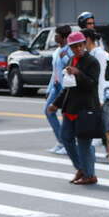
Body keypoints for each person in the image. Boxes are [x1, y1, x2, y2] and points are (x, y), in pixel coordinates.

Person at [47, 31, 100, 185]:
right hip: (70, 108)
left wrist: (79, 73)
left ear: (85, 44)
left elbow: (92, 85)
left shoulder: (92, 62)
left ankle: (89, 175)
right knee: (66, 138)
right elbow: (67, 86)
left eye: (80, 46)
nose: (78, 49)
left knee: (84, 144)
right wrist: (55, 104)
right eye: (74, 47)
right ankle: (81, 168)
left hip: (86, 109)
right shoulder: (71, 59)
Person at [44, 25, 73, 155]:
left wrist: (65, 57)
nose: (55, 37)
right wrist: (49, 89)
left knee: (66, 115)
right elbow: (54, 72)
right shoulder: (57, 51)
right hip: (56, 86)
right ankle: (61, 141)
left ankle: (66, 143)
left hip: (65, 87)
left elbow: (71, 67)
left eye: (57, 35)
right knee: (48, 111)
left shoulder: (69, 51)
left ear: (63, 37)